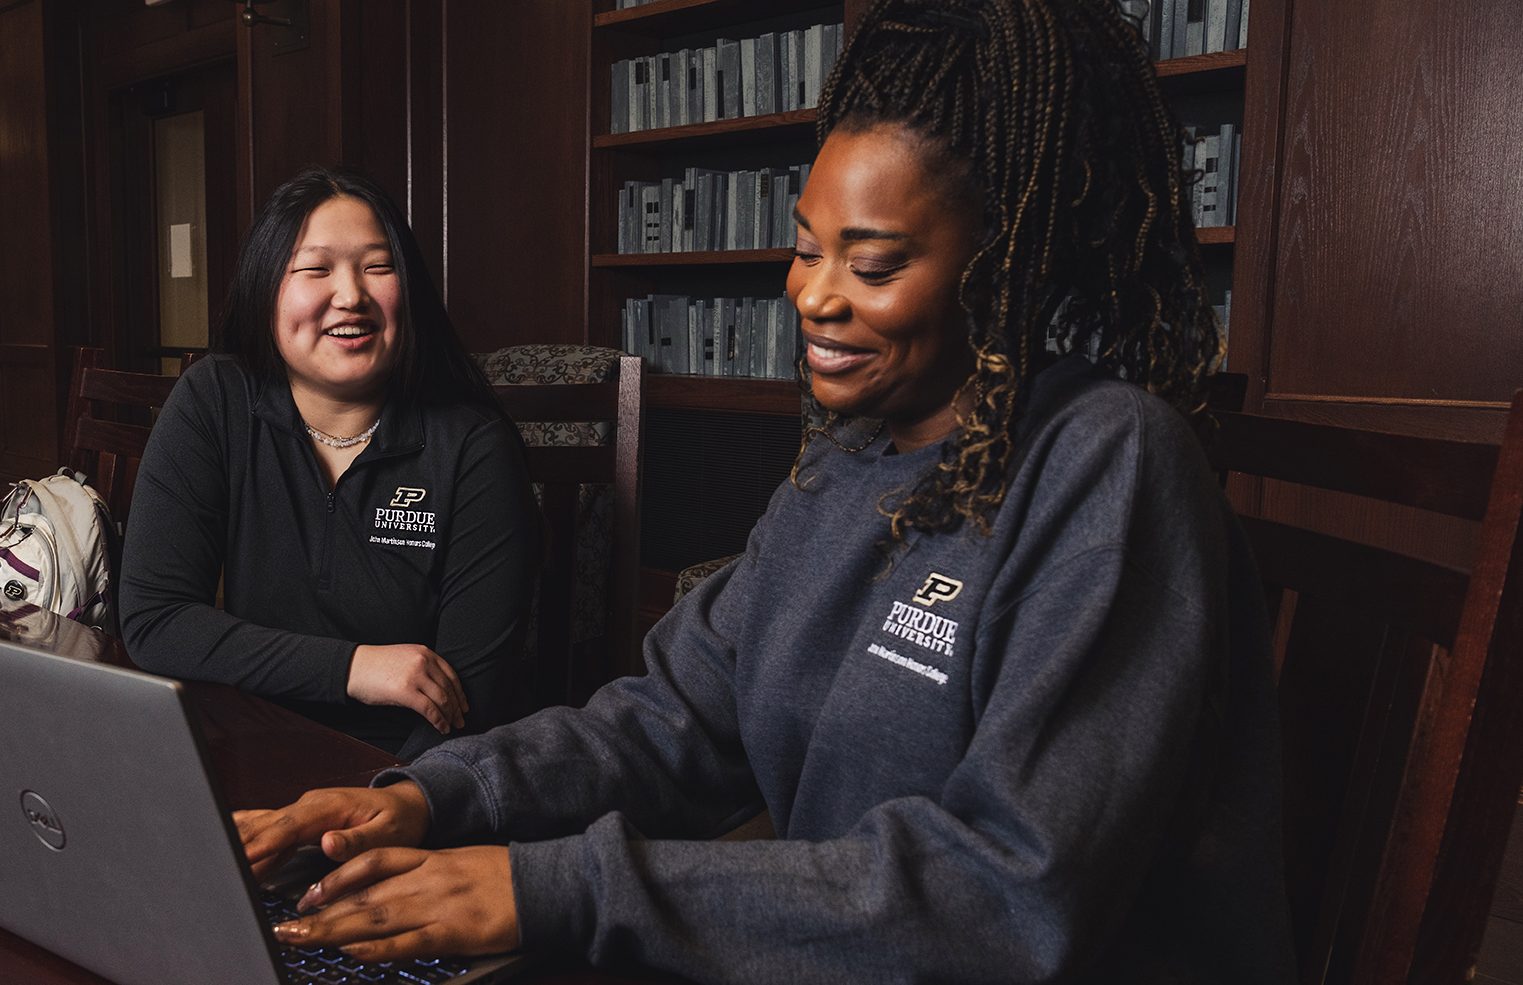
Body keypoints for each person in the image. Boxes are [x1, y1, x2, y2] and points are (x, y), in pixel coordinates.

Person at [232, 1, 1294, 981]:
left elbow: (1006, 892)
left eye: (871, 266)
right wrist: (434, 798)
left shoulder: (1111, 465)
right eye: (803, 251)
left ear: (1004, 260)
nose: (814, 297)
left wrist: (557, 886)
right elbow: (670, 719)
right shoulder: (843, 458)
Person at [119, 166, 539, 759]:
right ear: (267, 289)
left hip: (404, 775)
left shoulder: (473, 448)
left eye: (377, 267)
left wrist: (388, 802)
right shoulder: (215, 399)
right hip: (244, 746)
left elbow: (469, 700)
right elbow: (155, 619)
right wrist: (354, 668)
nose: (351, 296)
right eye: (316, 269)